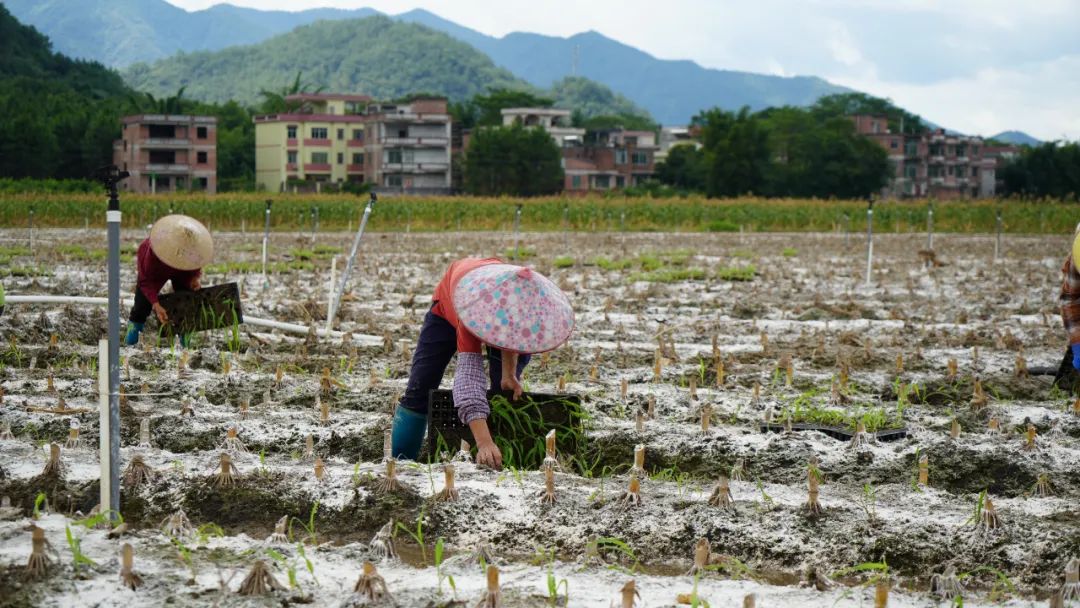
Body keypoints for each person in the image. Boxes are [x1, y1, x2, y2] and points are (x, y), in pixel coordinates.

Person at [391, 258, 574, 468]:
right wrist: (484, 442)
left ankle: (502, 455)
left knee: (501, 391)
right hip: (446, 311)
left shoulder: (518, 303)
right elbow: (468, 381)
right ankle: (399, 464)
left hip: (499, 307)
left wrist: (509, 374)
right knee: (420, 387)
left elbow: (512, 336)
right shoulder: (471, 308)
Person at [124, 214, 214, 346]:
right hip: (157, 270)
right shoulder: (151, 249)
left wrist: (195, 278)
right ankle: (129, 344)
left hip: (182, 270)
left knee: (185, 305)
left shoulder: (192, 248)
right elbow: (146, 280)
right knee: (140, 308)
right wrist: (156, 304)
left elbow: (196, 262)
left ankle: (186, 347)